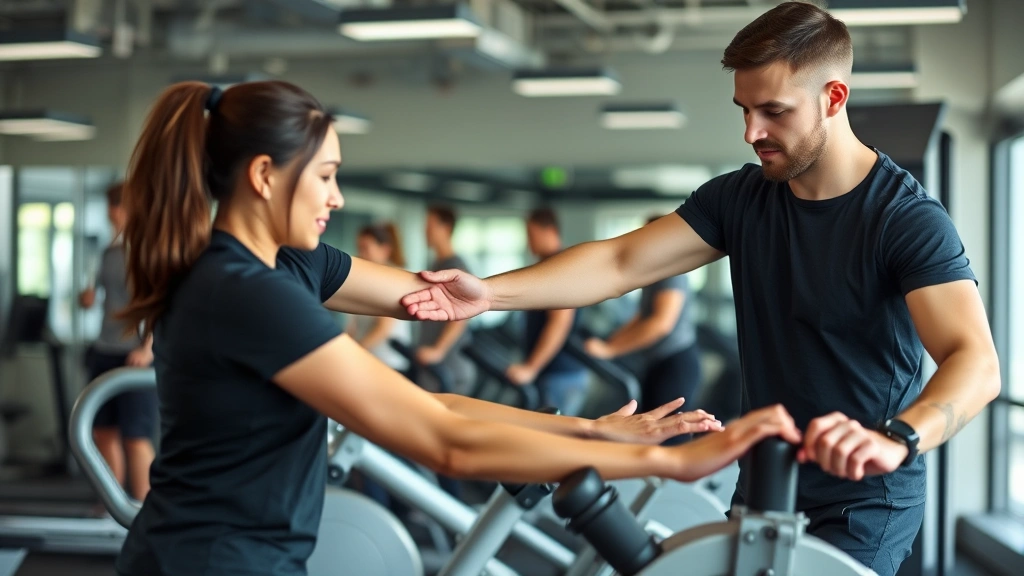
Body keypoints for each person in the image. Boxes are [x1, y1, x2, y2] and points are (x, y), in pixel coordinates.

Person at [401, 3, 1001, 575]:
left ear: (834, 97)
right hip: (765, 477)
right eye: (743, 110)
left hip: (865, 500)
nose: (750, 131)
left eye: (772, 111)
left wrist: (898, 438)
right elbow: (619, 261)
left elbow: (974, 359)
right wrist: (490, 294)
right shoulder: (741, 198)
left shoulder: (904, 218)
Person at [112, 79, 797, 576]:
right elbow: (446, 443)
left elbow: (433, 360)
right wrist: (666, 463)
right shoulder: (243, 293)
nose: (337, 197)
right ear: (264, 176)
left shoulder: (291, 268)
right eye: (325, 177)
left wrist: (585, 430)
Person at [585, 214, 703, 444]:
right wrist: (609, 343)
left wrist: (610, 350)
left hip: (675, 363)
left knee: (667, 441)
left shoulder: (671, 269)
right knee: (649, 436)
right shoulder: (656, 271)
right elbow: (641, 317)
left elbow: (660, 324)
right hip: (659, 363)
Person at [79, 181, 157, 503]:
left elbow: (157, 304)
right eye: (112, 208)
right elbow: (93, 298)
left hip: (133, 357)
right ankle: (111, 503)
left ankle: (144, 508)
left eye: (119, 208)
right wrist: (85, 298)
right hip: (104, 350)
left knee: (136, 437)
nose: (114, 215)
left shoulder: (145, 254)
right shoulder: (108, 253)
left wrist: (147, 348)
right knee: (102, 432)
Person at [508, 207, 589, 416]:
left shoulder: (559, 267)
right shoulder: (549, 266)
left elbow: (559, 322)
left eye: (531, 235)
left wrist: (530, 368)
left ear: (549, 231)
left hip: (560, 375)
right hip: (555, 373)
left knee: (553, 440)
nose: (529, 243)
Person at [414, 204, 476, 394]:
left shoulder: (455, 267)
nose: (426, 231)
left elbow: (462, 317)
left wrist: (438, 351)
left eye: (431, 226)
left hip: (450, 367)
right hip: (432, 366)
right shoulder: (435, 264)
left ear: (446, 228)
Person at [345, 222, 411, 372]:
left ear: (385, 250)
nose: (361, 254)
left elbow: (383, 328)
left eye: (366, 248)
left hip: (388, 362)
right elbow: (353, 326)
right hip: (367, 360)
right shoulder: (363, 280)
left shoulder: (391, 279)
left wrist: (355, 350)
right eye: (359, 248)